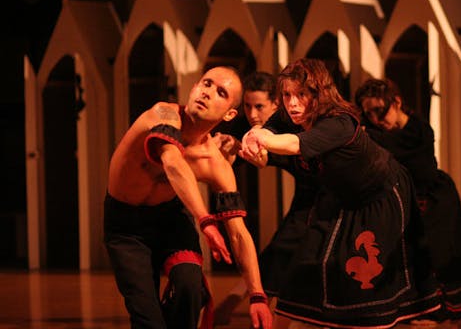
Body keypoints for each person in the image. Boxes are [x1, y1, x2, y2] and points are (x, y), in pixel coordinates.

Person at [240, 58, 442, 328]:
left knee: (365, 287)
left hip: (379, 197)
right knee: (305, 269)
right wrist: (255, 135)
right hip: (340, 197)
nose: (292, 103)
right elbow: (270, 129)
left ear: (319, 93)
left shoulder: (339, 122)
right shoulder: (289, 115)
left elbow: (291, 143)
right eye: (287, 95)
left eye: (302, 94)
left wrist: (256, 137)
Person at [104, 66, 272, 329]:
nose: (207, 93)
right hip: (126, 227)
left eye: (220, 92)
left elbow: (239, 234)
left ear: (229, 114)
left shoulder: (214, 164)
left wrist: (257, 295)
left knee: (189, 287)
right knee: (147, 319)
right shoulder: (163, 113)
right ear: (193, 88)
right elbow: (172, 161)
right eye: (205, 84)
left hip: (170, 219)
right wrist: (205, 221)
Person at [354, 78, 461, 321]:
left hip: (435, 198)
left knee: (438, 252)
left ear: (397, 102)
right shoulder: (375, 132)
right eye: (369, 113)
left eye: (380, 110)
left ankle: (449, 308)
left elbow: (415, 162)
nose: (376, 119)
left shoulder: (419, 129)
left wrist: (370, 136)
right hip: (402, 200)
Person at [215, 71, 320, 324]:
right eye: (247, 107)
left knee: (309, 253)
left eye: (259, 107)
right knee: (282, 248)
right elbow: (240, 158)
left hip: (335, 192)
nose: (252, 114)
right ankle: (243, 302)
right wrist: (226, 149)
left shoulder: (296, 122)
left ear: (276, 104)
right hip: (308, 192)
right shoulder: (250, 126)